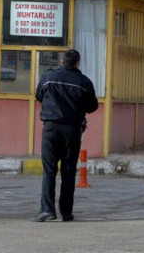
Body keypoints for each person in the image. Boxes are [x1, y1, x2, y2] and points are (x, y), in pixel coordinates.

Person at [32, 49, 98, 222]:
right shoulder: (84, 82)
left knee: (49, 170)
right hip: (72, 131)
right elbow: (92, 107)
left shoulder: (48, 77)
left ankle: (47, 210)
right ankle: (66, 212)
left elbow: (39, 96)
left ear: (62, 61)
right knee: (68, 171)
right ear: (77, 63)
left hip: (51, 129)